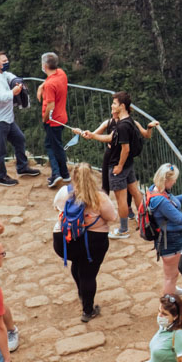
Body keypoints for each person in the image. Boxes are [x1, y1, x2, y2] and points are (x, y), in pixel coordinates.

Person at [67, 91, 141, 240]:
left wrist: (119, 166)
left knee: (121, 198)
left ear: (122, 105)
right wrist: (88, 134)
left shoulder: (122, 126)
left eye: (114, 103)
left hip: (118, 165)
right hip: (128, 164)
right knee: (134, 190)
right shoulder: (127, 122)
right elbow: (109, 137)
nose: (112, 105)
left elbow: (125, 149)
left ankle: (124, 229)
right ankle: (145, 220)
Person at [50, 163, 116, 322]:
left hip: (65, 239)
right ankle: (88, 310)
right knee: (88, 274)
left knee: (77, 264)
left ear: (73, 177)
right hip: (93, 241)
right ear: (92, 176)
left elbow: (56, 207)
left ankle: (82, 292)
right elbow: (112, 217)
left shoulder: (64, 192)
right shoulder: (100, 197)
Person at [143, 163, 182, 298]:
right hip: (170, 242)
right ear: (166, 180)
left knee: (170, 275)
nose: (175, 181)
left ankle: (172, 291)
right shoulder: (160, 200)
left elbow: (174, 201)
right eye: (173, 179)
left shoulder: (155, 190)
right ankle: (165, 313)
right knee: (170, 277)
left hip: (166, 239)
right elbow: (181, 219)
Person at [0, 50, 39, 187]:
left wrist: (16, 81)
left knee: (19, 139)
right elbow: (2, 96)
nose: (7, 63)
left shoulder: (1, 73)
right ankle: (1, 177)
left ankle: (22, 167)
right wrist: (15, 92)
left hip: (7, 118)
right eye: (4, 62)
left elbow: (9, 75)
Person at [39, 51, 70, 187]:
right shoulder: (61, 74)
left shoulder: (51, 84)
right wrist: (42, 86)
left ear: (45, 65)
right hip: (61, 117)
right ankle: (64, 174)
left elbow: (50, 105)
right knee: (55, 145)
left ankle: (57, 174)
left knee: (52, 146)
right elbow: (50, 81)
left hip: (53, 120)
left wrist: (45, 119)